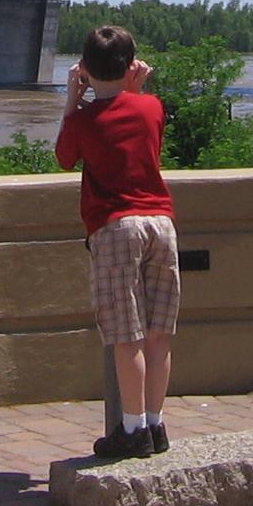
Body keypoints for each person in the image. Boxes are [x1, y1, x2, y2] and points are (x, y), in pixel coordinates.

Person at [55, 24, 179, 460]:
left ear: (85, 69)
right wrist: (135, 88)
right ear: (130, 66)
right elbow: (144, 135)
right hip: (160, 224)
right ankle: (155, 424)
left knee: (128, 336)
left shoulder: (84, 121)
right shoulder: (152, 108)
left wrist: (73, 99)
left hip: (116, 228)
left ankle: (130, 431)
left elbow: (65, 157)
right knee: (159, 332)